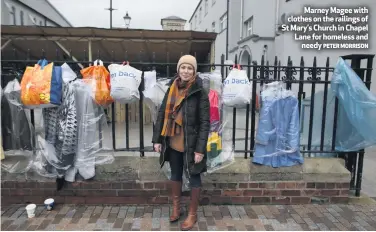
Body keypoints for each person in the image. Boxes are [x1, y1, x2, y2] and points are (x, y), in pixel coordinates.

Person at [152, 55, 210, 231]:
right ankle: (176, 208)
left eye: (189, 68)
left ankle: (192, 214)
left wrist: (200, 149)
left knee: (194, 176)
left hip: (191, 144)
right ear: (178, 69)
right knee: (175, 174)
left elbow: (205, 123)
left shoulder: (199, 92)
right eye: (183, 67)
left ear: (194, 71)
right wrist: (157, 139)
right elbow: (162, 114)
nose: (186, 71)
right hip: (173, 142)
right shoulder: (171, 88)